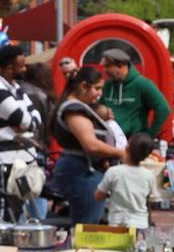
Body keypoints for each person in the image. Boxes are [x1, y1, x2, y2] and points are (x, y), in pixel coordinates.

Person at [51, 65, 126, 225]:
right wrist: (121, 153)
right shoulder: (73, 109)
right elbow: (90, 145)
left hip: (84, 171)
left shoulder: (78, 107)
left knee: (86, 223)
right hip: (81, 173)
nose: (100, 93)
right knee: (87, 225)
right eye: (97, 88)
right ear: (83, 86)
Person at [0, 43, 41, 218]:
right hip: (5, 159)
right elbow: (24, 121)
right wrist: (28, 122)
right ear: (9, 68)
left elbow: (35, 116)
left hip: (22, 157)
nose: (24, 69)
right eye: (21, 66)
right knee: (4, 208)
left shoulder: (15, 88)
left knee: (19, 208)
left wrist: (28, 121)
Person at [99, 48, 170, 138]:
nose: (105, 70)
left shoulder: (142, 84)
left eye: (108, 66)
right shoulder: (108, 85)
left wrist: (149, 135)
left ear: (121, 65)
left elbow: (163, 108)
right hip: (109, 138)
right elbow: (101, 106)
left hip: (133, 140)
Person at [94, 132, 157, 230]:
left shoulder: (114, 172)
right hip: (140, 223)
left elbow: (98, 196)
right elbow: (152, 197)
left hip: (117, 224)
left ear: (127, 147)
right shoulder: (148, 175)